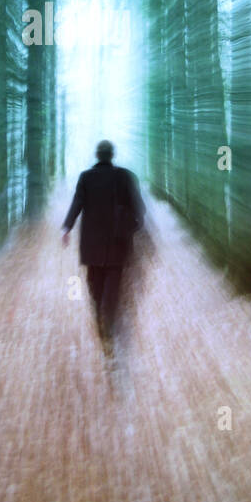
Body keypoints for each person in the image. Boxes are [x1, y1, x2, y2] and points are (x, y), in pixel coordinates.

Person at [61, 140, 145, 351]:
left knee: (94, 283)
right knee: (113, 285)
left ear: (97, 155)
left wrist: (66, 228)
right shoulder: (124, 177)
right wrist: (133, 226)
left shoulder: (86, 178)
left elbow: (77, 203)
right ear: (112, 155)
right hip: (118, 242)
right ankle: (107, 322)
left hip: (92, 243)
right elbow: (139, 208)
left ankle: (100, 316)